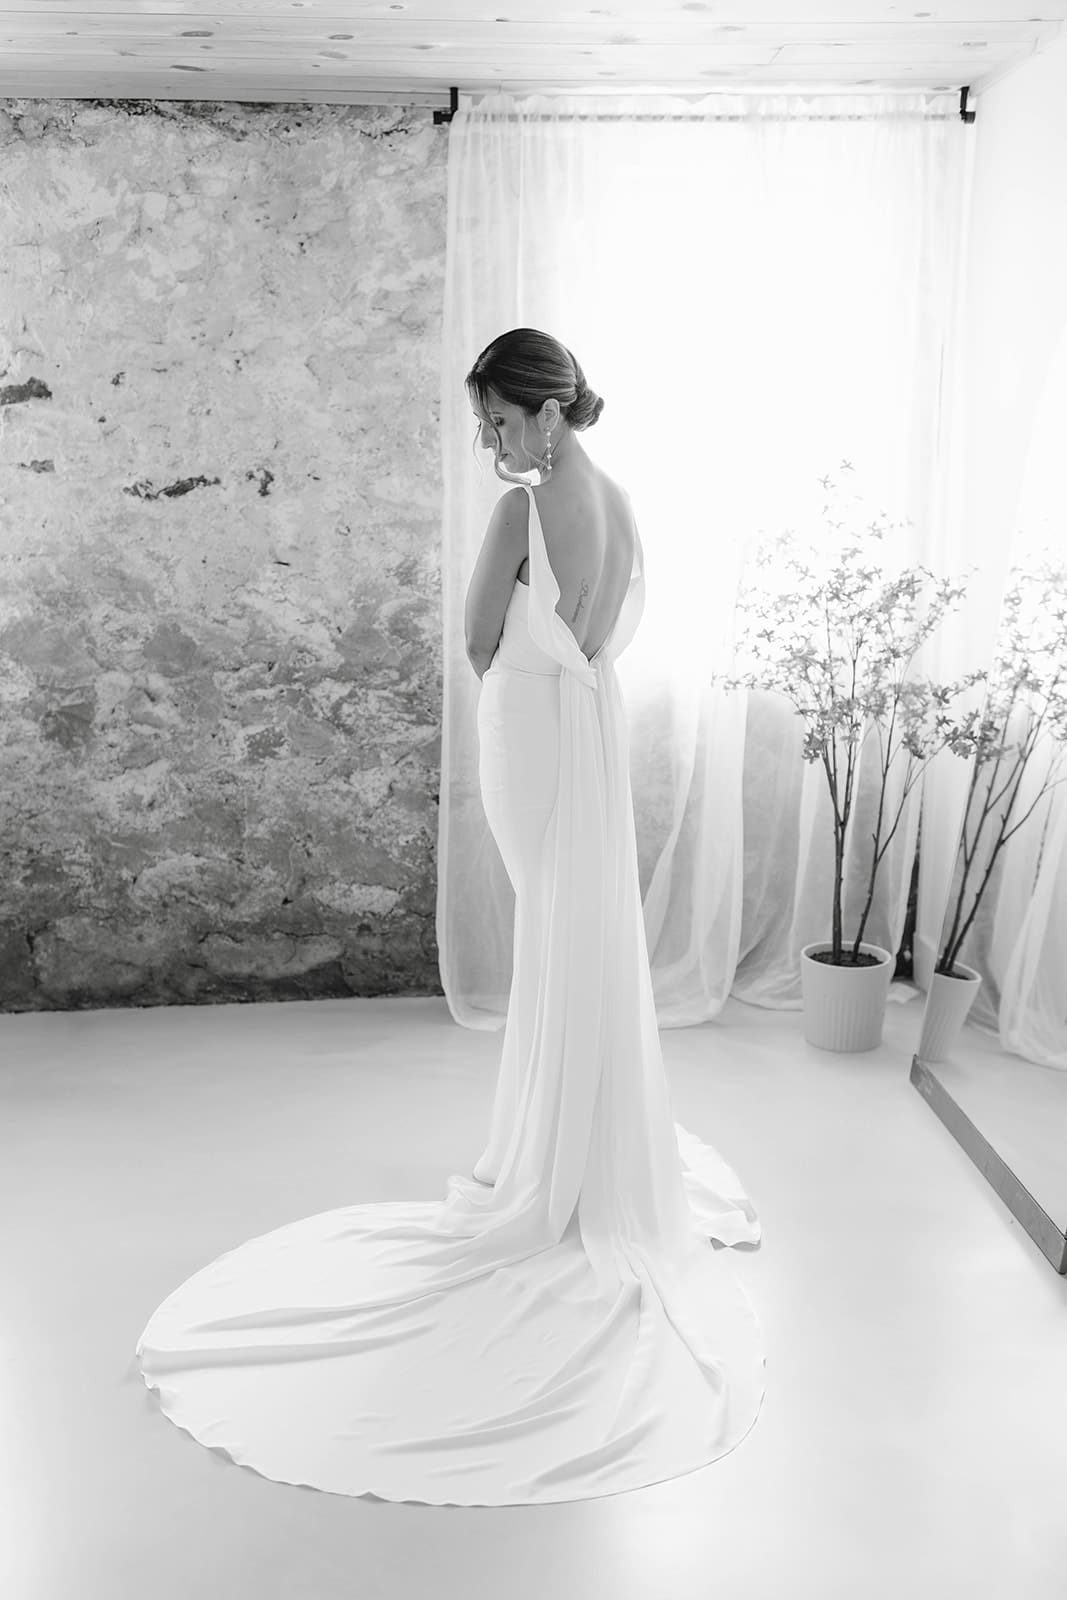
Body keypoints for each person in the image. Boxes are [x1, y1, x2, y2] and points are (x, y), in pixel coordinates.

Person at [134, 328, 765, 1508]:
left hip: (533, 730)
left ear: (541, 412)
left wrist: (501, 659)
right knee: (572, 938)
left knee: (550, 938)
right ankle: (575, 1139)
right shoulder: (616, 502)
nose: (486, 441)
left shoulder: (520, 513)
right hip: (586, 732)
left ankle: (552, 1156)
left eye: (493, 419)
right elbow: (597, 629)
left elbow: (481, 640)